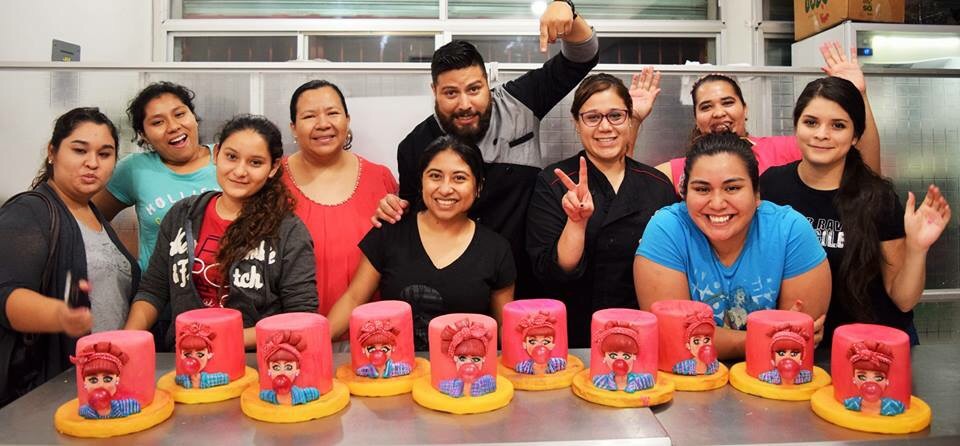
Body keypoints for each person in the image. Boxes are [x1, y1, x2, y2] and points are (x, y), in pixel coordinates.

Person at [373, 2, 599, 297]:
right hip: (456, 289)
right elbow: (414, 222)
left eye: (474, 89)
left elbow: (583, 56)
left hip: (526, 281)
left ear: (487, 83)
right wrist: (393, 209)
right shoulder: (414, 147)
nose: (465, 104)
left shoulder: (520, 101)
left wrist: (566, 9)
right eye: (451, 93)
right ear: (434, 92)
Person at [760, 76, 950, 347]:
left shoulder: (877, 197)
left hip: (871, 349)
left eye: (838, 125)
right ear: (796, 126)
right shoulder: (770, 185)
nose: (821, 134)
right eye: (811, 122)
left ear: (855, 136)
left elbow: (903, 299)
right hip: (801, 345)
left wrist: (917, 249)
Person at [124, 115, 317, 350]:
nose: (240, 171)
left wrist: (217, 339)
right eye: (231, 157)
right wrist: (128, 340)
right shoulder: (182, 215)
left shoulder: (289, 231)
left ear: (273, 167)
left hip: (255, 362)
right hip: (186, 358)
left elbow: (301, 317)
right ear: (216, 155)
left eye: (255, 163)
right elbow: (153, 290)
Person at [634, 132, 831, 359]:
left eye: (732, 188)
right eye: (702, 189)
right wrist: (768, 338)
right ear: (685, 194)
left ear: (756, 194)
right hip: (686, 375)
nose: (717, 203)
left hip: (774, 376)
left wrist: (783, 339)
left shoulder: (790, 230)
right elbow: (672, 335)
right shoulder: (667, 229)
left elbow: (797, 345)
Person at [0, 107, 139, 407]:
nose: (92, 163)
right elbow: (6, 294)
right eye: (79, 150)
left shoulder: (96, 215)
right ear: (52, 152)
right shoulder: (30, 211)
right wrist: (59, 315)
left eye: (105, 154)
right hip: (54, 390)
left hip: (107, 385)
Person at [526, 73, 677, 348]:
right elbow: (551, 271)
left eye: (616, 116)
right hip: (574, 337)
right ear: (576, 123)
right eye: (592, 117)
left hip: (640, 332)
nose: (605, 127)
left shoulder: (658, 185)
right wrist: (576, 222)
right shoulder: (555, 181)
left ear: (630, 118)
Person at [328, 136, 515, 351]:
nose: (445, 189)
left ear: (478, 186)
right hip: (397, 367)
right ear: (421, 182)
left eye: (459, 178)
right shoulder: (390, 232)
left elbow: (504, 327)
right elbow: (353, 299)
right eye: (435, 176)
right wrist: (314, 343)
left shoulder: (496, 249)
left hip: (466, 368)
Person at [647, 42, 882, 193]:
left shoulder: (784, 150)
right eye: (706, 106)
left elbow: (866, 171)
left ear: (745, 109)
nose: (718, 112)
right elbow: (633, 182)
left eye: (728, 102)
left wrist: (859, 95)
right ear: (697, 119)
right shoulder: (685, 168)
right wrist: (635, 118)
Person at [282, 80, 398, 316]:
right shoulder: (273, 181)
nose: (323, 124)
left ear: (347, 119)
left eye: (333, 113)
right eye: (309, 116)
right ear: (293, 127)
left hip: (370, 328)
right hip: (291, 325)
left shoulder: (380, 178)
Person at [94, 82, 219, 272]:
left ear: (193, 117)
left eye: (180, 114)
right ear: (143, 135)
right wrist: (109, 270)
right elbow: (90, 220)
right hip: (156, 289)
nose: (173, 126)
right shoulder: (134, 169)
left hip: (227, 288)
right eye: (157, 122)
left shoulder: (227, 158)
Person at [71, 342, 141, 419]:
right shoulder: (84, 411)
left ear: (117, 380)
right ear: (85, 383)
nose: (100, 385)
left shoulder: (130, 405)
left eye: (107, 379)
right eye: (93, 380)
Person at [260, 331, 320, 405]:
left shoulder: (303, 394)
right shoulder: (268, 395)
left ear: (297, 371)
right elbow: (262, 395)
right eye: (276, 367)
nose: (282, 372)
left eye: (288, 367)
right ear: (269, 370)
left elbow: (315, 393)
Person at [844, 341, 904, 416]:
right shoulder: (851, 403)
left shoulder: (894, 406)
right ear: (854, 379)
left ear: (887, 381)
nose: (870, 382)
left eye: (878, 378)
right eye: (862, 377)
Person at [438, 319, 495, 398]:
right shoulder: (449, 384)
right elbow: (439, 384)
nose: (469, 364)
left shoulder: (486, 381)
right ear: (455, 358)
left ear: (483, 359)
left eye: (476, 359)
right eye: (462, 358)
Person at [591, 321, 654, 393]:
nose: (620, 361)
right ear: (605, 357)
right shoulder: (600, 381)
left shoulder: (644, 381)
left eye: (626, 356)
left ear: (634, 357)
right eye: (613, 356)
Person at [175, 322, 229, 389]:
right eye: (187, 354)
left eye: (200, 354)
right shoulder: (183, 379)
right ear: (181, 355)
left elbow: (225, 378)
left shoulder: (209, 379)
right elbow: (177, 379)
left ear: (209, 354)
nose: (194, 358)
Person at [514, 310, 566, 375]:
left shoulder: (559, 363)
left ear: (552, 345)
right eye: (532, 341)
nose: (539, 346)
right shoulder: (522, 367)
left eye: (546, 341)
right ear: (524, 344)